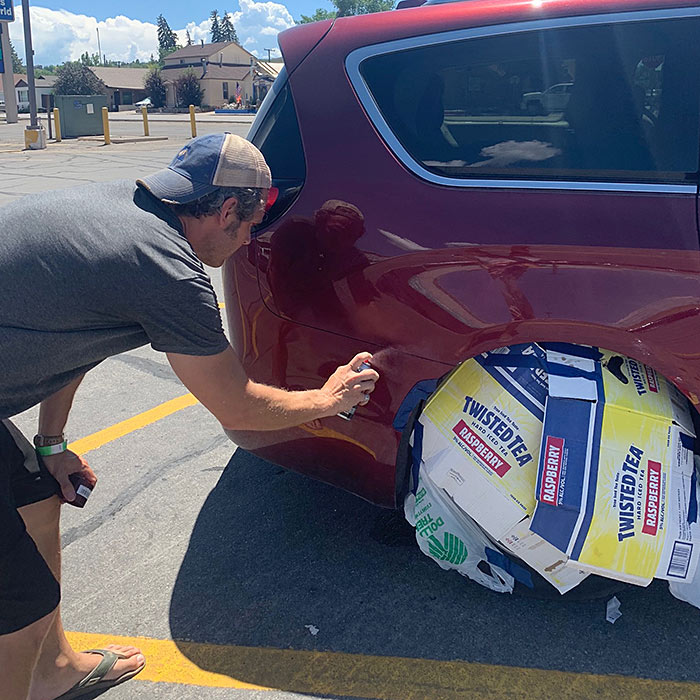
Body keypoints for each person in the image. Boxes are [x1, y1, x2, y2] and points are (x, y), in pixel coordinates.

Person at [0, 132, 379, 700]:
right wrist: (330, 399)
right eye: (250, 226)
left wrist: (51, 443)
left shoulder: (121, 212)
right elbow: (236, 405)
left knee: (35, 497)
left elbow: (78, 342)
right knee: (19, 602)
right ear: (228, 209)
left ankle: (53, 672)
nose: (250, 241)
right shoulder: (168, 270)